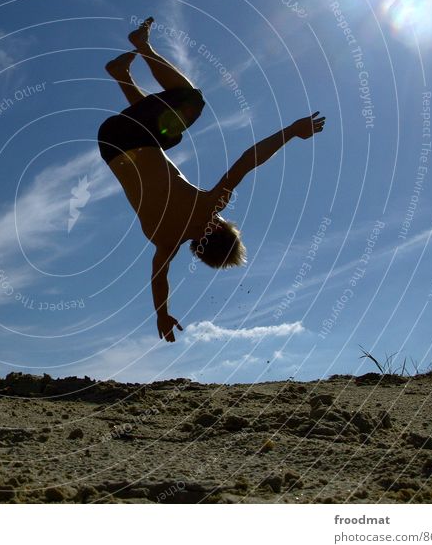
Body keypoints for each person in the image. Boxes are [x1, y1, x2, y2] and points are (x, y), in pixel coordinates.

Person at [98, 17, 325, 342]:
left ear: (218, 226)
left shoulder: (207, 205)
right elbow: (159, 279)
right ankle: (121, 74)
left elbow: (248, 161)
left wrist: (292, 131)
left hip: (128, 136)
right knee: (167, 132)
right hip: (111, 146)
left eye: (222, 220)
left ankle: (142, 46)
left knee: (190, 99)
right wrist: (162, 315)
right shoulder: (166, 242)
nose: (220, 215)